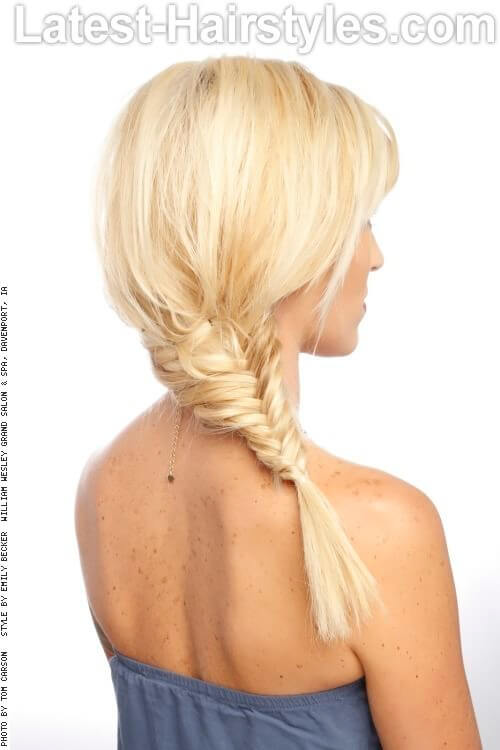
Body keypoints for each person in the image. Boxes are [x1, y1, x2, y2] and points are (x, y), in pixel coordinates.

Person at [74, 56, 482, 749]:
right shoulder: (380, 527)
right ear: (292, 245)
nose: (376, 255)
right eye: (361, 221)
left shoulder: (105, 484)